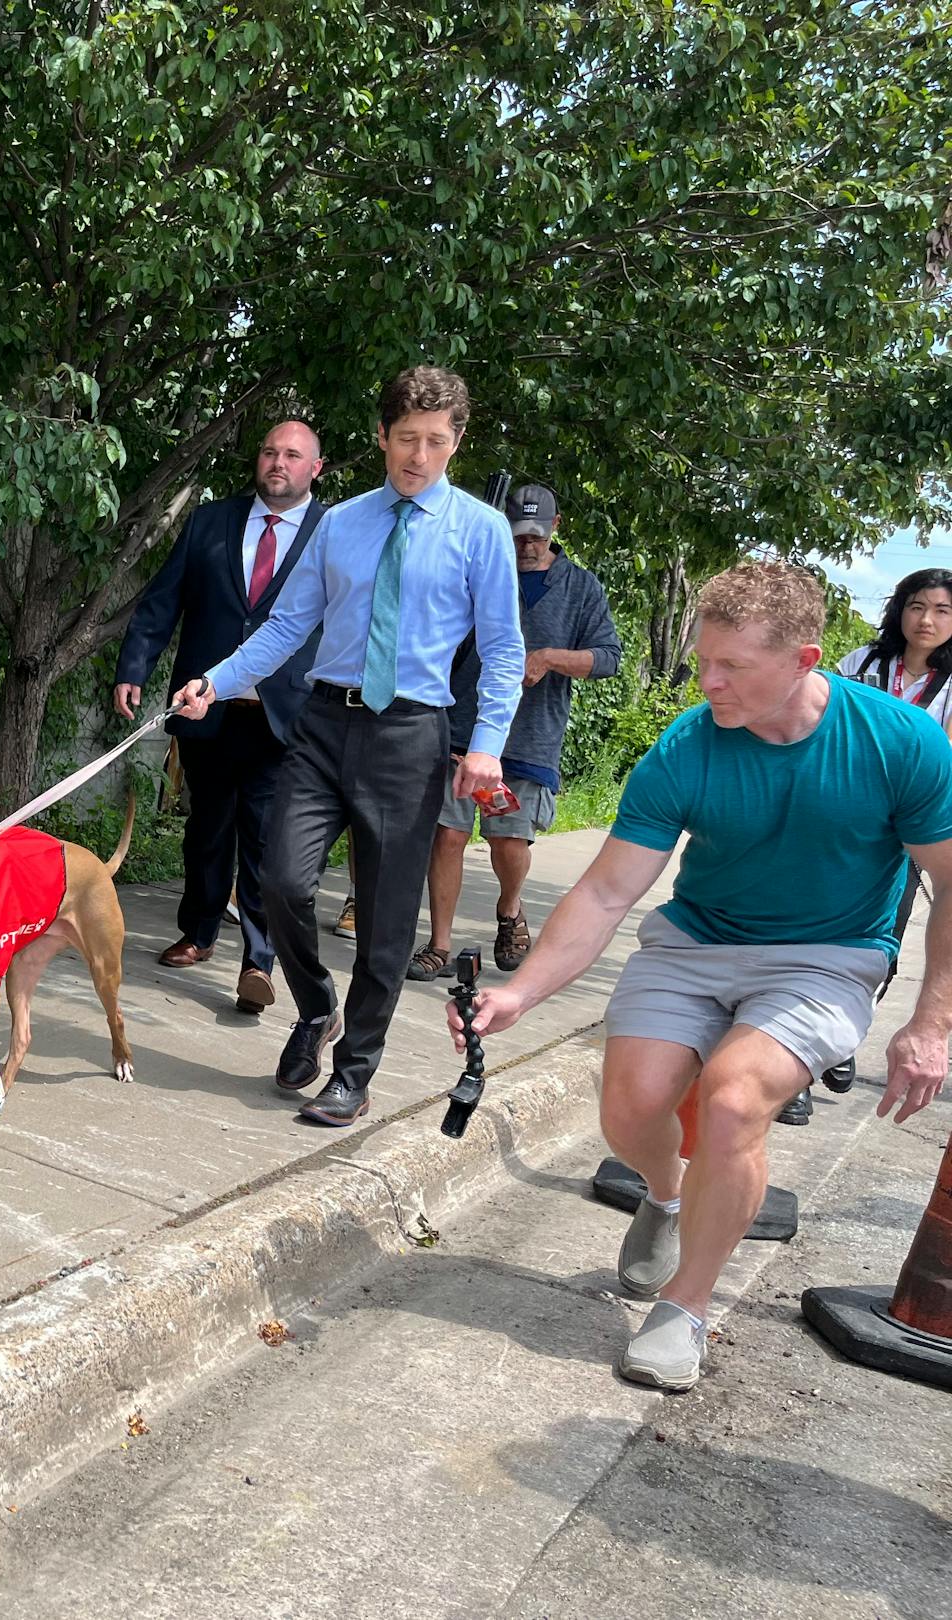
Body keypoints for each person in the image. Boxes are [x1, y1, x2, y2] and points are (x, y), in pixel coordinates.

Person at [452, 562, 952, 1390]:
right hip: (695, 941)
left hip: (827, 954)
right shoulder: (689, 743)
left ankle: (685, 1308)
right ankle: (669, 1193)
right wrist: (519, 991)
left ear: (804, 659)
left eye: (733, 668)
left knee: (732, 1098)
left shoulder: (901, 743)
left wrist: (931, 1023)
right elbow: (609, 889)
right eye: (701, 663)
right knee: (630, 1110)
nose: (709, 683)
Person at [173, 366, 523, 1126]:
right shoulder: (343, 522)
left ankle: (354, 1070)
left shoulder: (480, 531)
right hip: (324, 726)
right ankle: (315, 1007)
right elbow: (289, 625)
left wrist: (487, 742)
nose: (418, 457)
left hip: (410, 735)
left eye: (435, 442)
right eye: (405, 440)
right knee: (282, 885)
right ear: (381, 437)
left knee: (388, 921)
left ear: (455, 441)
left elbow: (502, 650)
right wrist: (215, 680)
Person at [114, 420, 329, 1016]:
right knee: (207, 829)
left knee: (264, 837)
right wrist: (134, 666)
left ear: (315, 468)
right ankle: (201, 929)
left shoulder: (332, 532)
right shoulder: (211, 522)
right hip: (205, 707)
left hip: (283, 716)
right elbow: (163, 600)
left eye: (292, 455)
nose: (277, 462)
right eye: (269, 452)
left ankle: (258, 961)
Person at [408, 483, 621, 982]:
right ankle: (439, 943)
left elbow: (608, 658)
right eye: (518, 534)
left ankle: (510, 909)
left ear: (555, 527)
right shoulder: (477, 572)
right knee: (448, 835)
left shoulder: (581, 587)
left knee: (509, 841)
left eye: (536, 535)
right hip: (462, 727)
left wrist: (549, 658)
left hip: (531, 737)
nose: (527, 544)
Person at [797, 567, 952, 1118]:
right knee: (805, 922)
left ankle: (837, 1036)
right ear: (899, 610)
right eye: (916, 606)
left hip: (910, 831)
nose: (926, 619)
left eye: (941, 610)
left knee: (878, 935)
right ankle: (798, 1057)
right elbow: (821, 726)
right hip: (836, 818)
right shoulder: (858, 665)